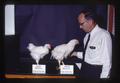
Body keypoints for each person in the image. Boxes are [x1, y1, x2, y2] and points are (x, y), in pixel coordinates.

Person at [71, 8, 112, 79]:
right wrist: (75, 53)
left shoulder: (104, 35)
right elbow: (89, 55)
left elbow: (107, 63)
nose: (80, 27)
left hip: (95, 73)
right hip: (84, 70)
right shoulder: (87, 36)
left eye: (81, 24)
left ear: (90, 21)